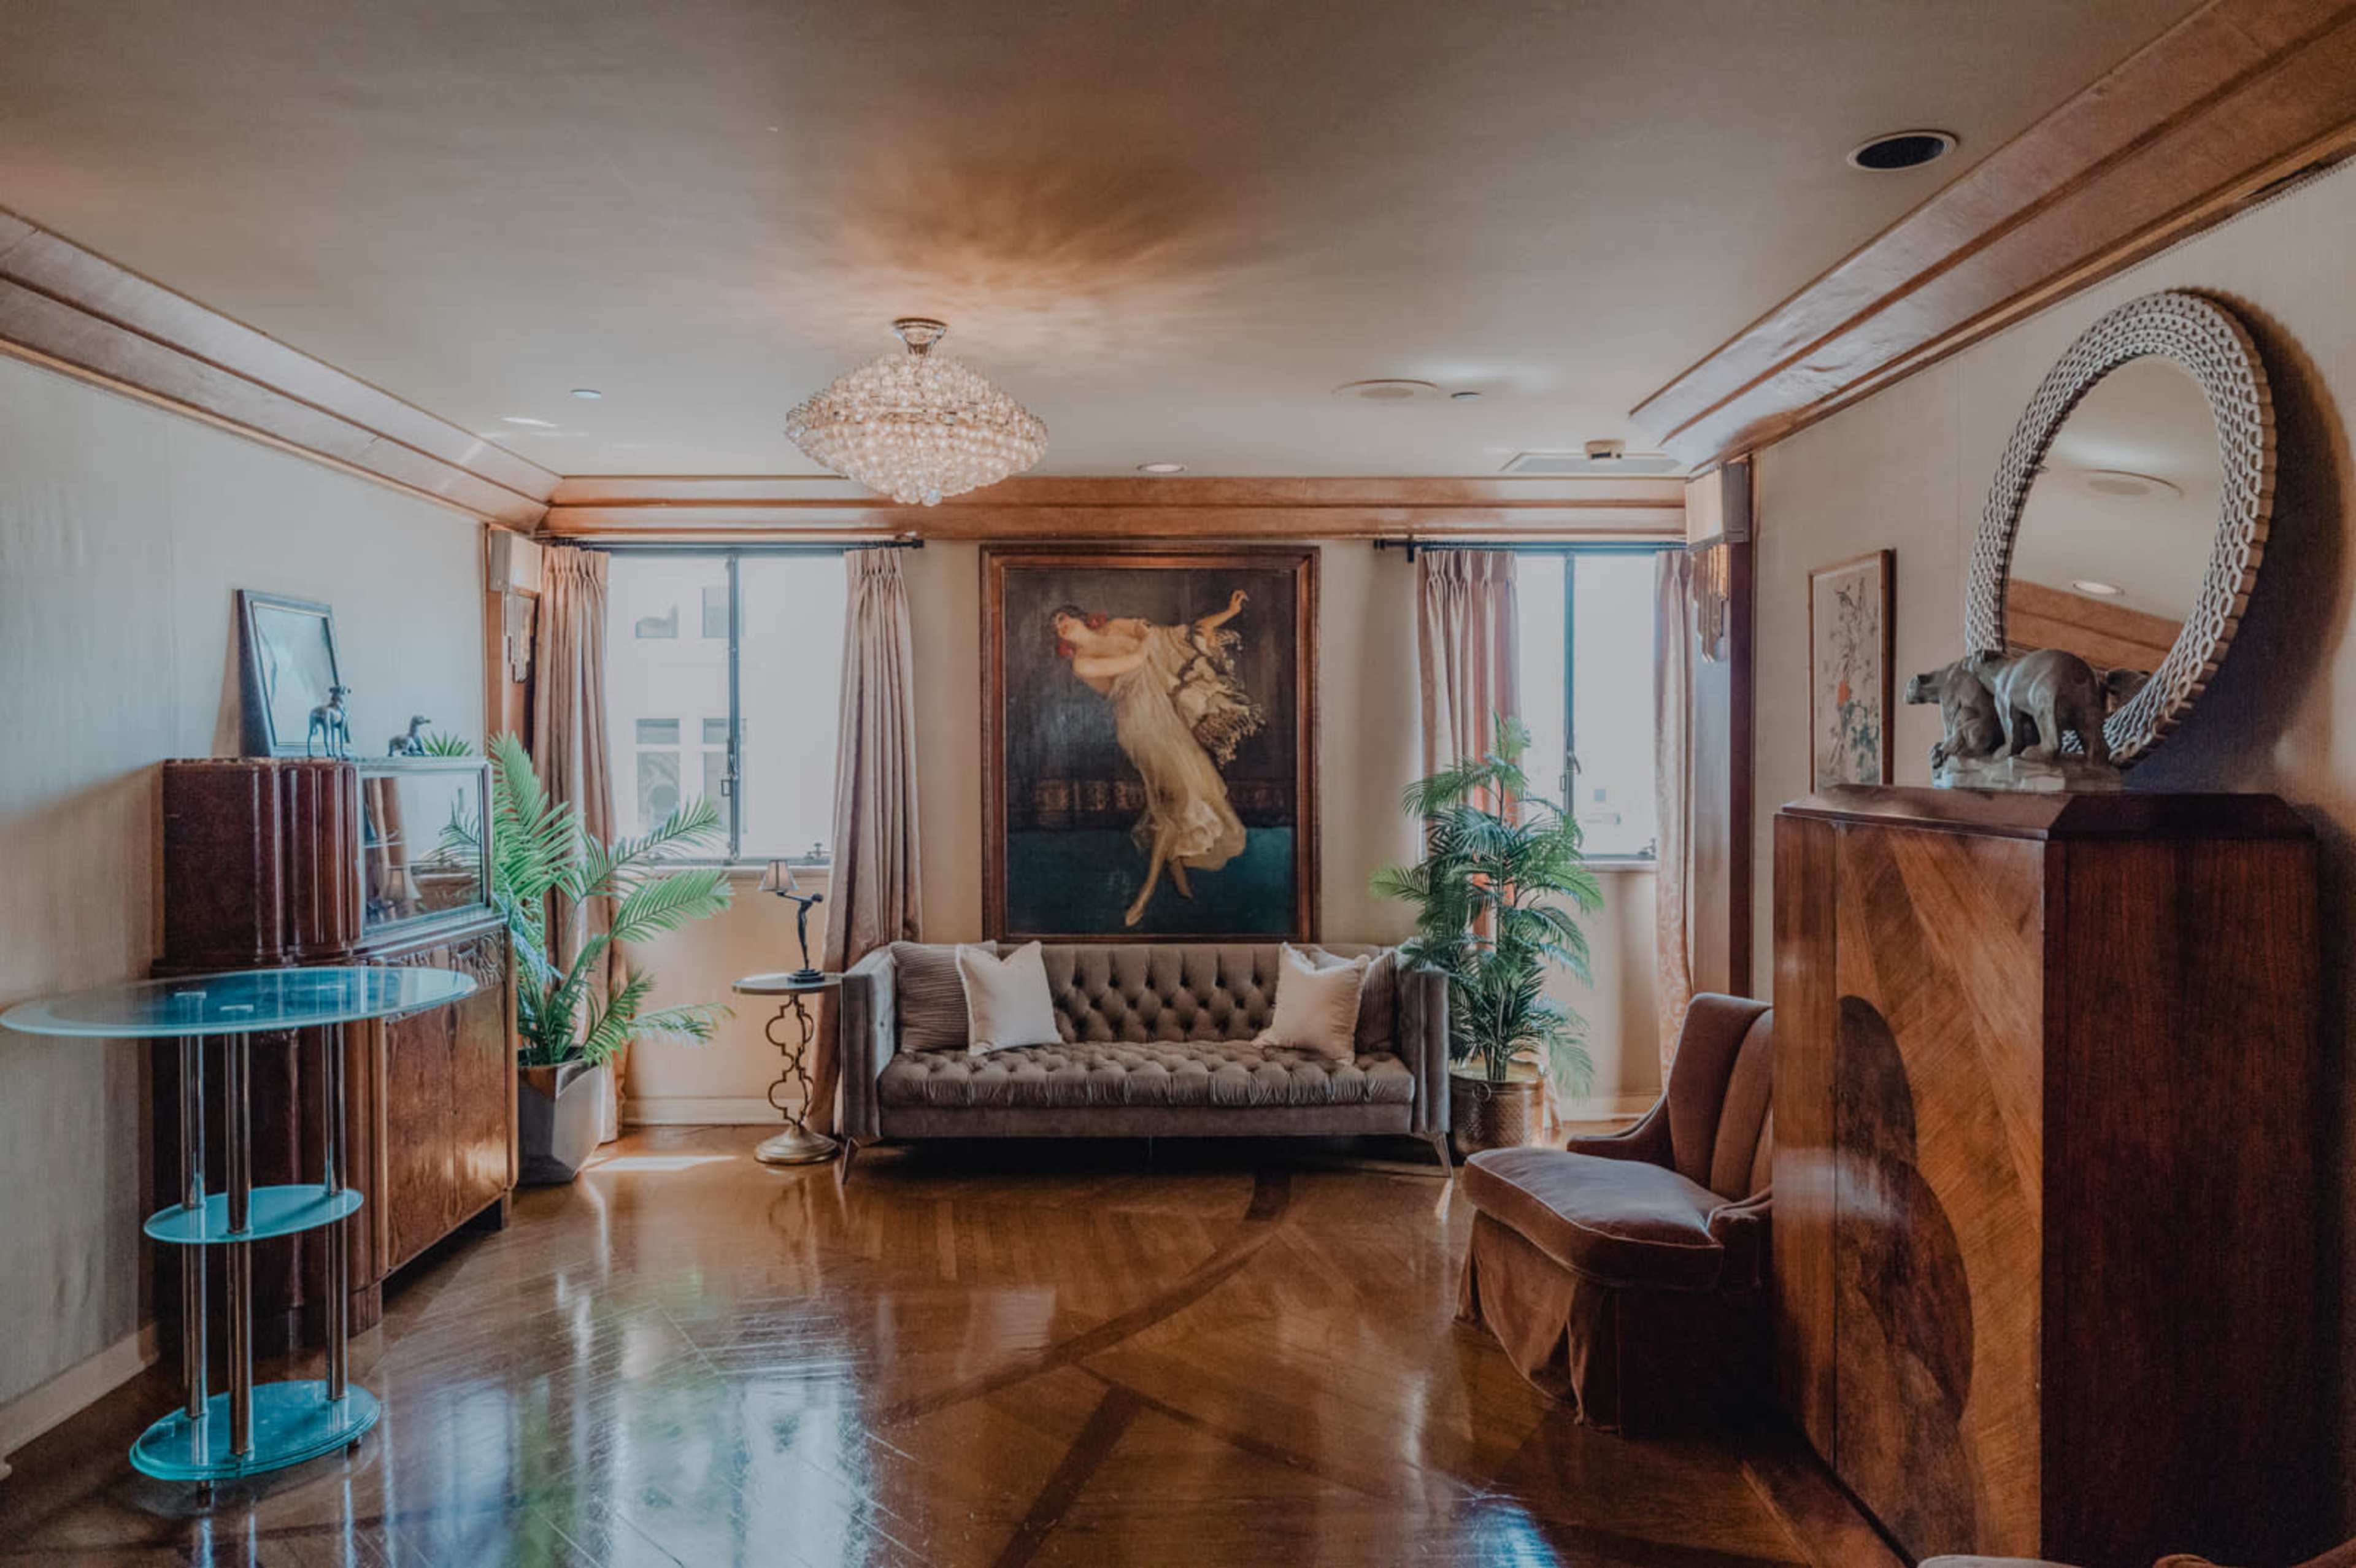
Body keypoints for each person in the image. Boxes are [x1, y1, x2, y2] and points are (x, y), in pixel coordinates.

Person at [1051, 589, 1264, 926]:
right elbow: (1135, 660)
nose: (1060, 625)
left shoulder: (1116, 627)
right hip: (1137, 724)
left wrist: (1229, 611)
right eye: (1055, 625)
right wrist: (1145, 637)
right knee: (1176, 800)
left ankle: (1176, 874)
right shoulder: (1082, 663)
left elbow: (1178, 635)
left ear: (1078, 616)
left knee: (1175, 800)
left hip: (1164, 719)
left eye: (1063, 617)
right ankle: (1146, 894)